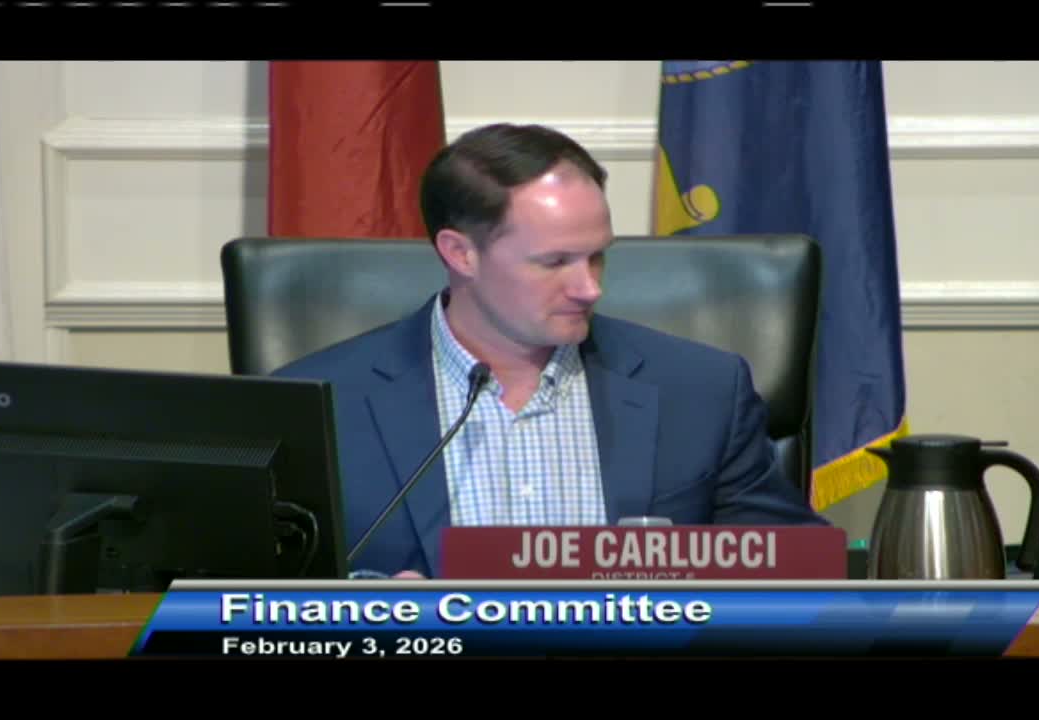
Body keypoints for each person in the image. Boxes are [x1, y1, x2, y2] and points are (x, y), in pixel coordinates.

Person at [273, 123, 830, 579]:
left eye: (598, 257)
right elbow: (255, 598)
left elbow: (799, 574)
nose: (590, 288)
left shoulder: (700, 390)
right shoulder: (318, 403)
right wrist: (360, 613)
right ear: (460, 254)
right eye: (555, 262)